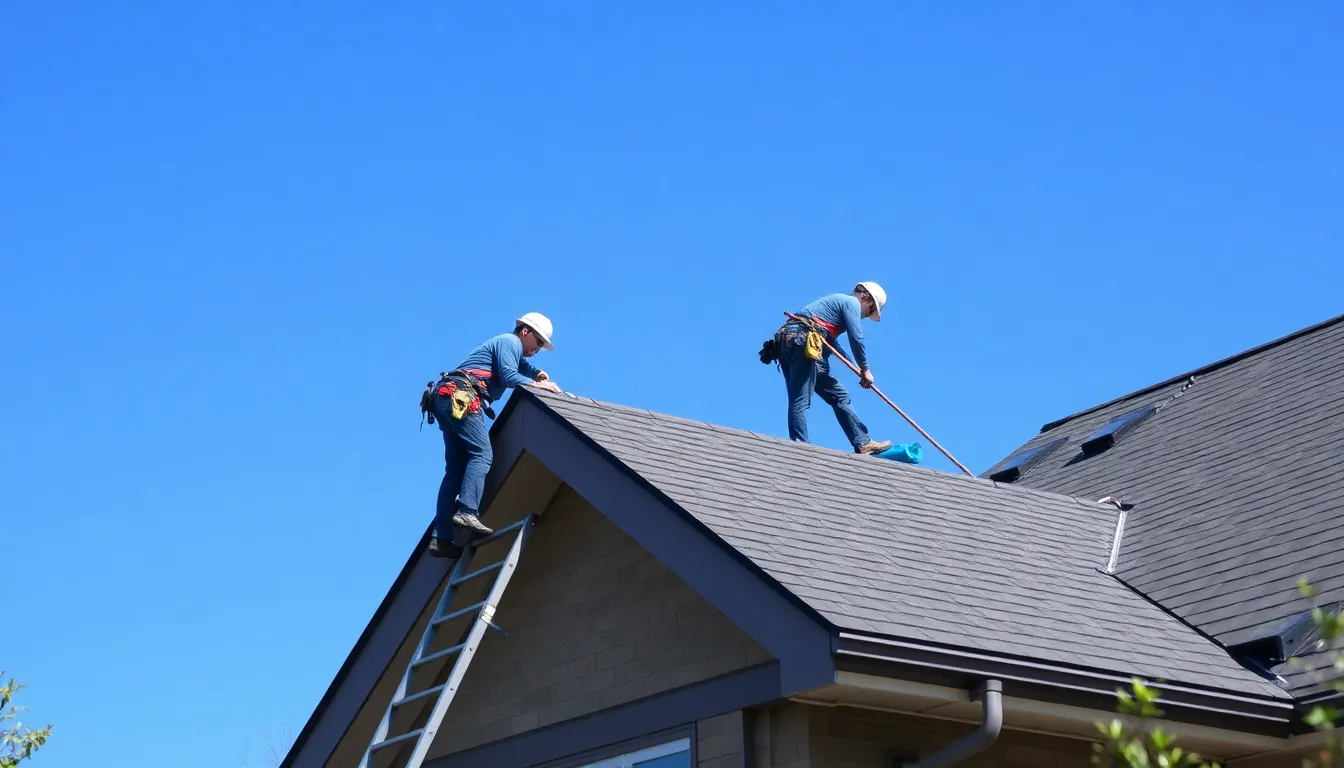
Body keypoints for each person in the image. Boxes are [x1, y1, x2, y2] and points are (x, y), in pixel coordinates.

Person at [427, 312, 561, 558]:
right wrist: (539, 385)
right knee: (482, 453)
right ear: (525, 332)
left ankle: (442, 537)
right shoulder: (509, 342)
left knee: (456, 469)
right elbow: (510, 376)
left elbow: (521, 367)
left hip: (446, 397)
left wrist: (536, 374)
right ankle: (467, 511)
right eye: (539, 342)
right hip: (462, 395)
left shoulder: (509, 347)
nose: (539, 348)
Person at [777, 282, 893, 454]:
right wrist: (865, 368)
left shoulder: (835, 306)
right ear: (865, 297)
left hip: (791, 341)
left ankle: (862, 442)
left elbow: (832, 342)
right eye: (869, 311)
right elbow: (857, 338)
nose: (865, 317)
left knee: (839, 396)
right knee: (801, 399)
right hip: (803, 340)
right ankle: (800, 447)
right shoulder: (851, 303)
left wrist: (857, 369)